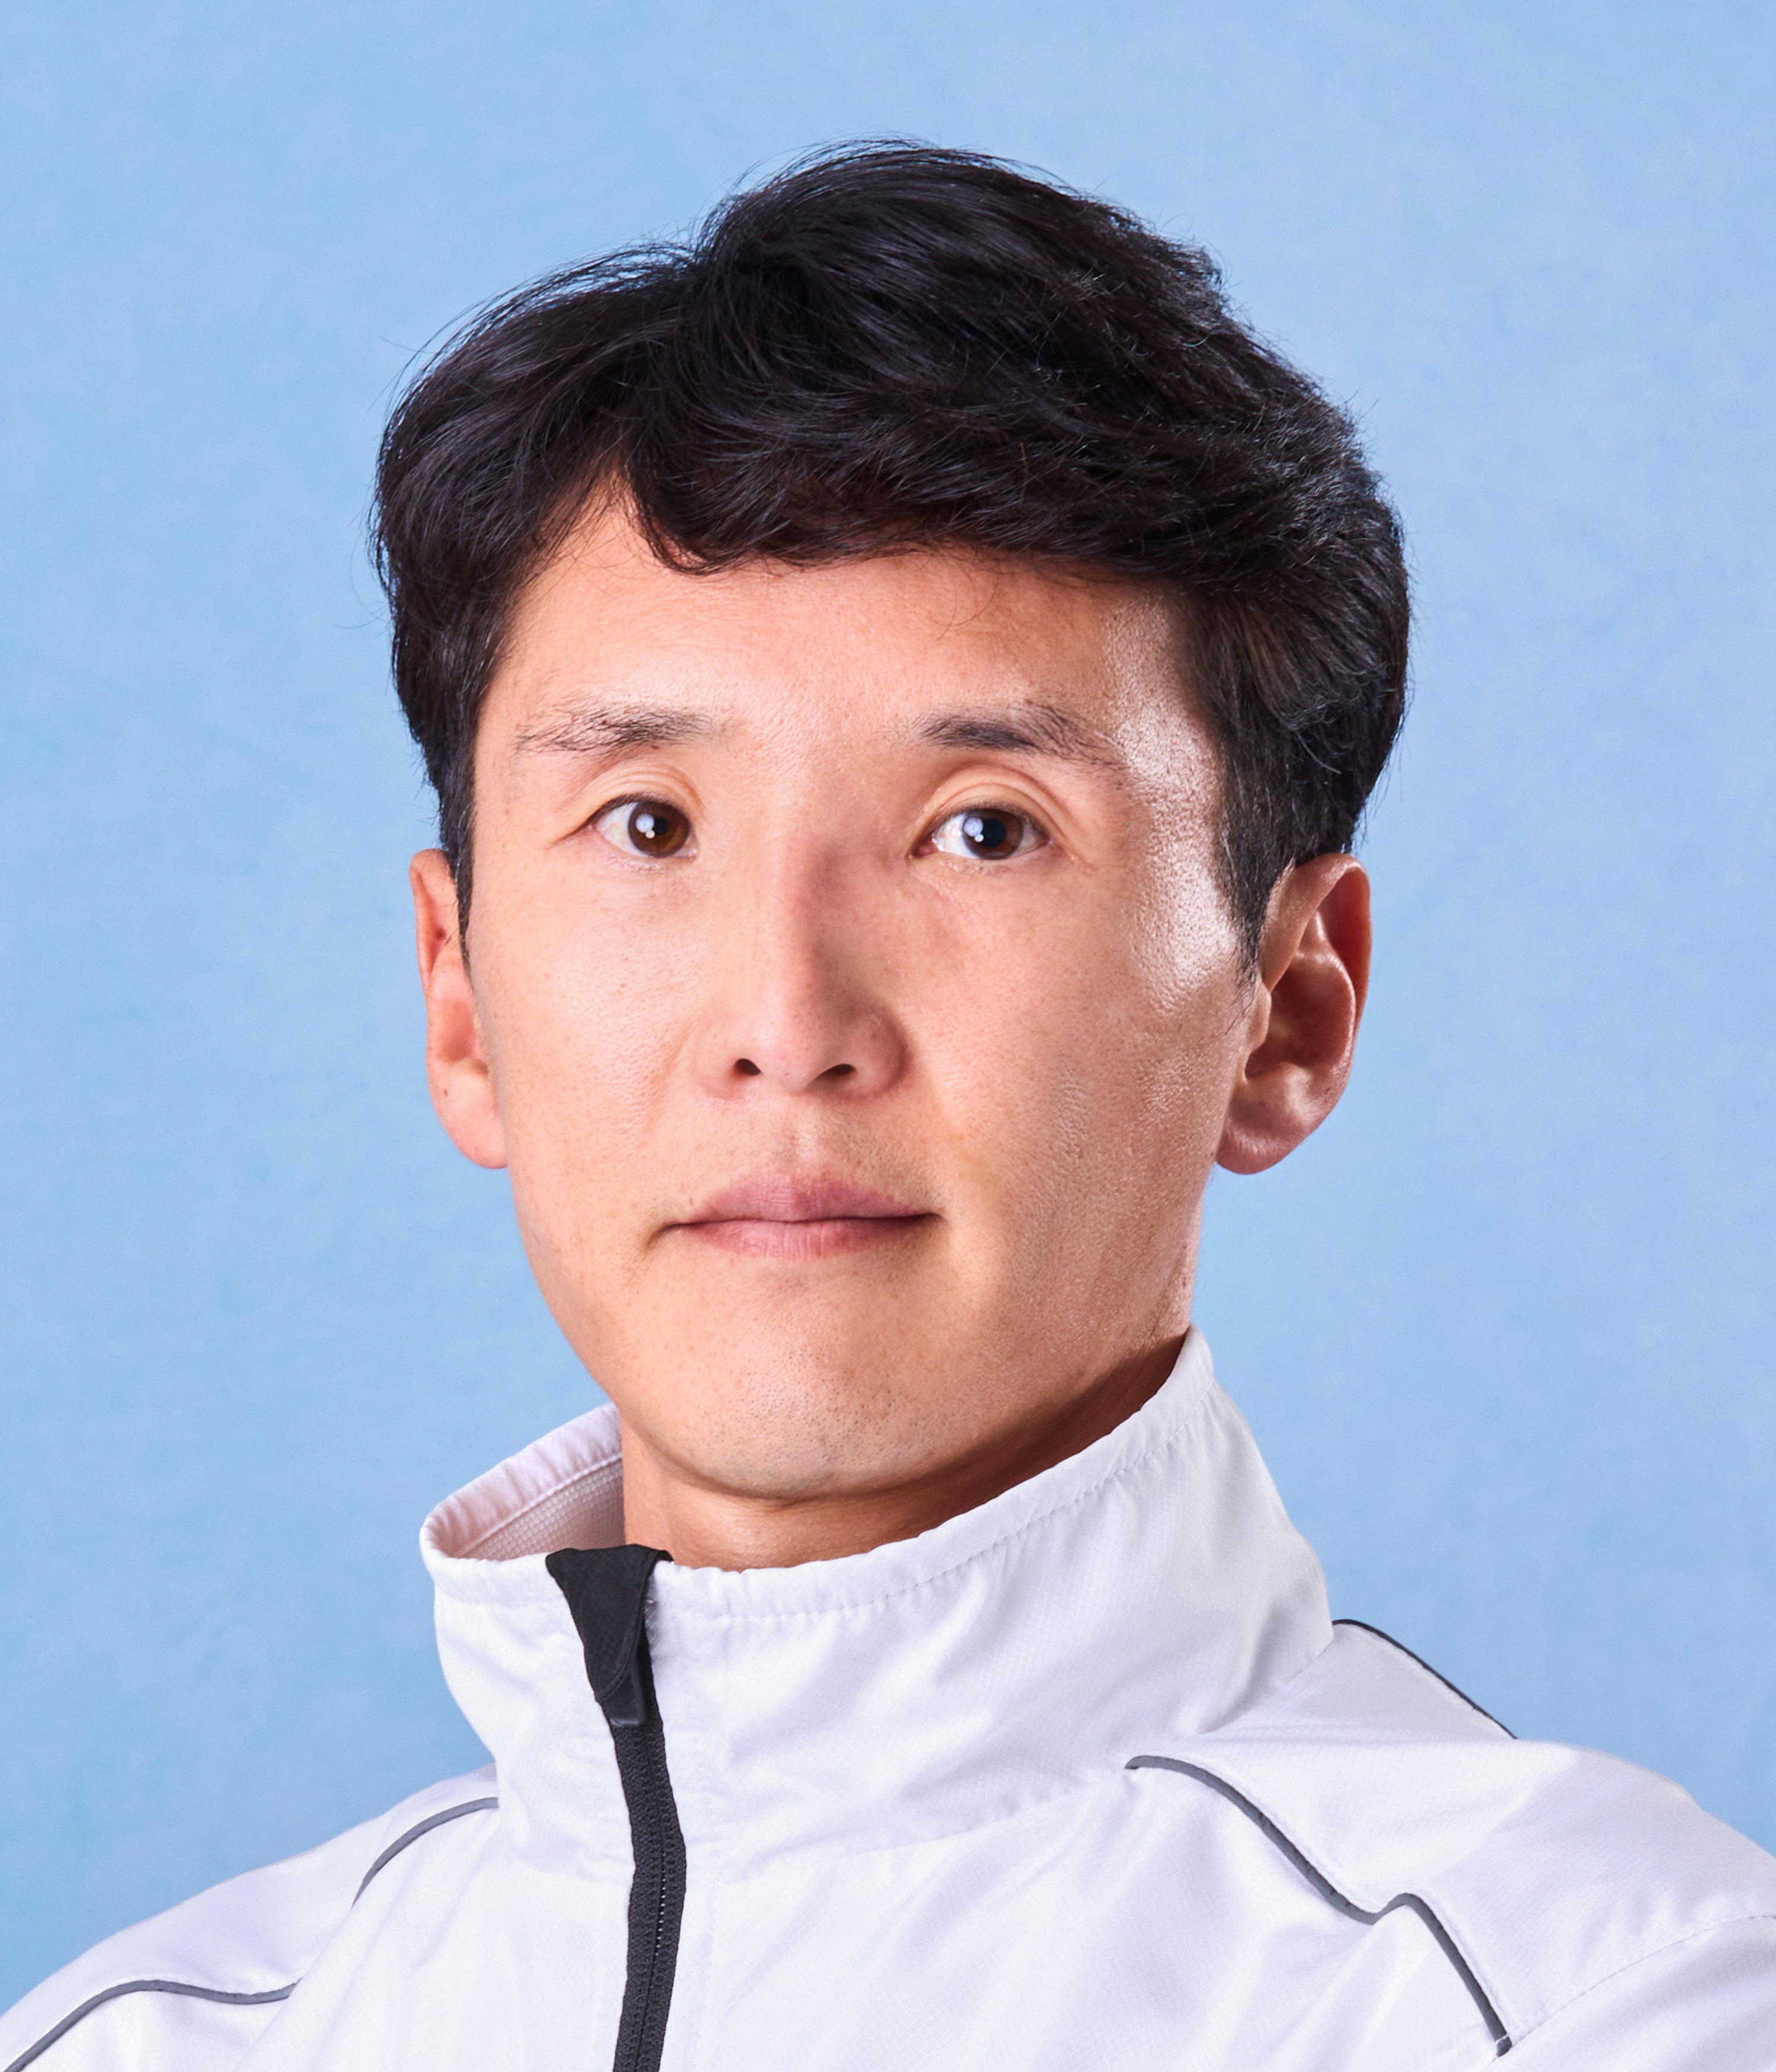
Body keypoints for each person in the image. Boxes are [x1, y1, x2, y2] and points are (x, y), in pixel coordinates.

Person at [4, 143, 1772, 2072]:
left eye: (984, 830)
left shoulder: (1585, 2005)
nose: (789, 1024)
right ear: (459, 999)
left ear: (1289, 1008)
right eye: (648, 823)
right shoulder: (144, 2041)